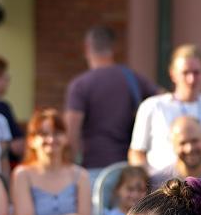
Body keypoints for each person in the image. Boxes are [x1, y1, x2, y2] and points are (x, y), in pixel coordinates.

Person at [64, 26, 160, 180]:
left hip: (92, 167)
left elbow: (72, 131)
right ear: (114, 48)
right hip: (127, 168)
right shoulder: (132, 78)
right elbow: (165, 99)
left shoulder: (80, 85)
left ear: (86, 48)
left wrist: (72, 168)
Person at [129, 44, 201, 174]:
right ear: (173, 74)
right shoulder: (152, 106)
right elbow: (137, 153)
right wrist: (149, 179)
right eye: (185, 73)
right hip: (165, 183)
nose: (191, 79)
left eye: (196, 73)